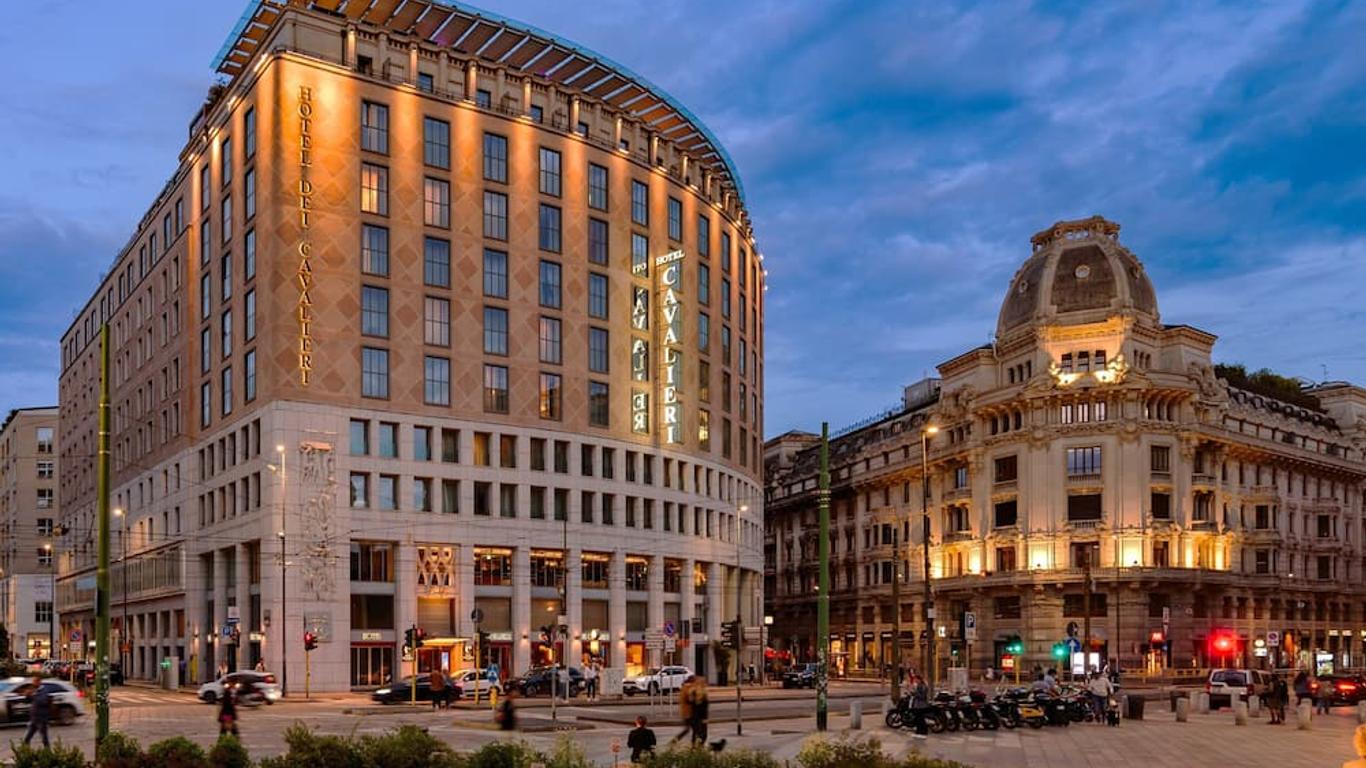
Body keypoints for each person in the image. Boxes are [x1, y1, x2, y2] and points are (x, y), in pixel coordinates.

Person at [23, 678, 51, 748]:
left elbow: (43, 701)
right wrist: (27, 695)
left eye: (34, 682)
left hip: (41, 718)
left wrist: (33, 695)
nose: (33, 684)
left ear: (39, 682)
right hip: (34, 718)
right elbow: (28, 701)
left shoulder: (44, 691)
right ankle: (25, 752)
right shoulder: (35, 691)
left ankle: (48, 752)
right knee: (27, 738)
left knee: (44, 738)